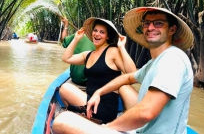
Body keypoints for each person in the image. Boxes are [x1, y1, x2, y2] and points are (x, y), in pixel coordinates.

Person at [52, 7, 194, 134]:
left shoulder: (172, 60)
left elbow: (146, 112)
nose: (150, 27)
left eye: (158, 23)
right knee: (124, 87)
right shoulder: (154, 62)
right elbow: (127, 78)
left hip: (114, 116)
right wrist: (99, 92)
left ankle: (95, 121)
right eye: (146, 23)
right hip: (139, 129)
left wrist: (108, 127)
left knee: (62, 120)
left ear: (172, 30)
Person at [58, 17, 136, 124]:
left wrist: (122, 48)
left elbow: (132, 73)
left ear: (107, 36)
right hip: (89, 101)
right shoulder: (88, 55)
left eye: (102, 32)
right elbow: (66, 58)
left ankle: (84, 118)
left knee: (65, 88)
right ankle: (85, 117)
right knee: (63, 91)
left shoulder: (112, 51)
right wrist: (76, 39)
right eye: (95, 30)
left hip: (104, 106)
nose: (97, 34)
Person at [60, 17, 95, 86]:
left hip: (78, 80)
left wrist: (66, 26)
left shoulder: (79, 36)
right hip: (89, 83)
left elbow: (63, 40)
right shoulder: (79, 36)